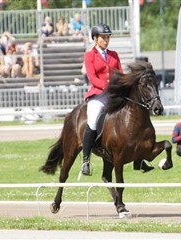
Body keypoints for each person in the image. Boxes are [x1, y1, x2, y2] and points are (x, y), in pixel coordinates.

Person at [81, 23, 122, 176]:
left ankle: (139, 156)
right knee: (92, 121)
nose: (106, 40)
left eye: (108, 37)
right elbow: (92, 78)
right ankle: (86, 160)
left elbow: (120, 73)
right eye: (103, 38)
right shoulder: (89, 55)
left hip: (113, 94)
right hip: (98, 95)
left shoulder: (114, 55)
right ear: (96, 39)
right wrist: (107, 86)